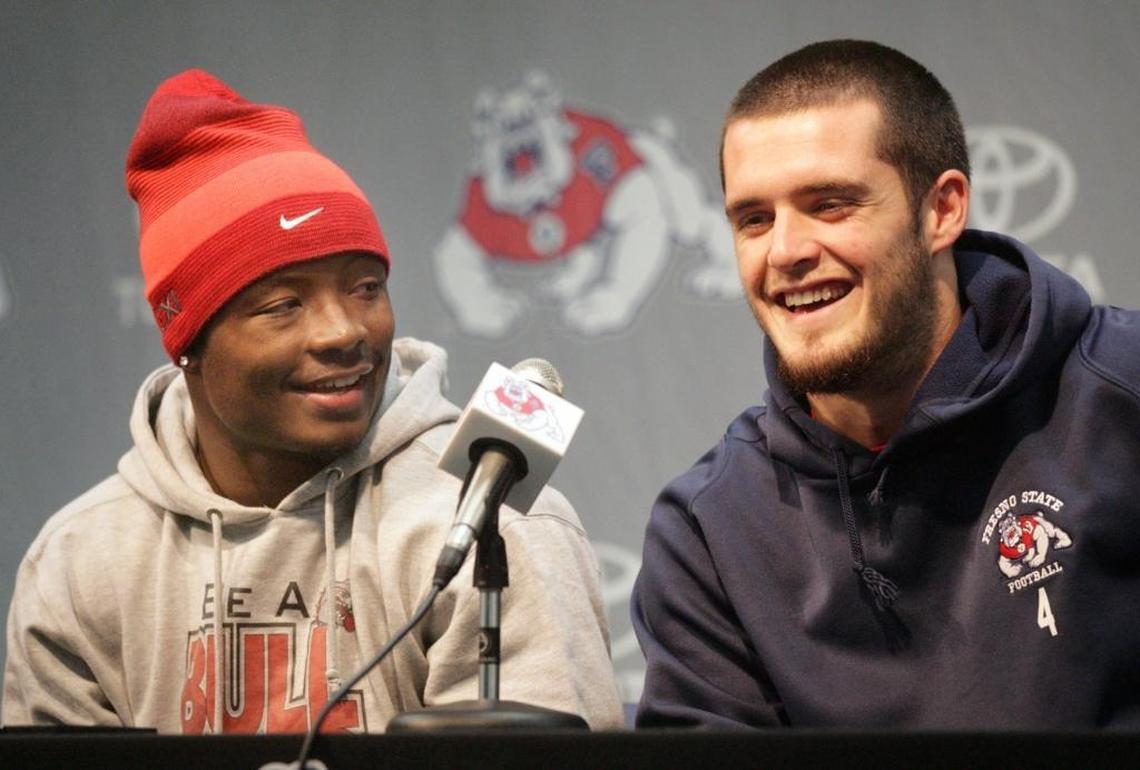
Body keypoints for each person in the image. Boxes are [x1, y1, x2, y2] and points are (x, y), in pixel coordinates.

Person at [2, 69, 623, 733]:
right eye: (284, 305)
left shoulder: (488, 522)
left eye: (364, 288)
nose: (344, 332)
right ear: (188, 344)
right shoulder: (84, 559)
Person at [631, 39, 1140, 728]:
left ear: (942, 211)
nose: (785, 252)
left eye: (831, 204)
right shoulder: (710, 533)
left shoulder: (1119, 397)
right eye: (755, 219)